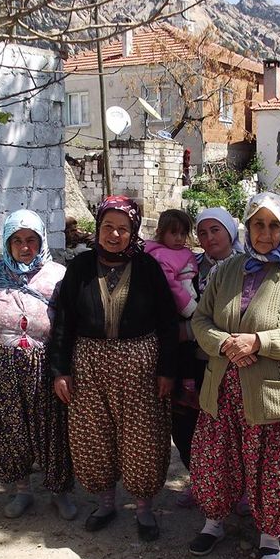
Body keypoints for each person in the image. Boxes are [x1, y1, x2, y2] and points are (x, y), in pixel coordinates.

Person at [188, 192, 280, 559]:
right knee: (216, 459)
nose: (265, 233)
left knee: (271, 465)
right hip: (224, 389)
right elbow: (201, 320)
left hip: (272, 395)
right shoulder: (227, 270)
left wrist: (259, 342)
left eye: (273, 225)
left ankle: (270, 535)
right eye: (258, 224)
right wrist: (226, 344)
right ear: (247, 228)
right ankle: (214, 522)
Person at [50, 195, 179, 540]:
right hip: (89, 364)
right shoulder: (79, 268)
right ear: (98, 228)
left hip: (141, 365)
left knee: (144, 438)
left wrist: (167, 370)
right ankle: (105, 503)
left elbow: (168, 321)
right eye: (108, 226)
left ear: (133, 230)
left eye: (123, 228)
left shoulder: (148, 268)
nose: (115, 234)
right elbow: (63, 322)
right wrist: (61, 370)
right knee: (94, 436)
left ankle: (143, 509)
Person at [0, 209, 75, 519]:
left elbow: (69, 324)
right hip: (0, 364)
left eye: (31, 240)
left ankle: (59, 492)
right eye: (17, 240)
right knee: (9, 429)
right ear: (7, 243)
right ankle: (21, 491)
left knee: (52, 428)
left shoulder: (58, 275)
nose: (24, 247)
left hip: (45, 364)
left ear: (41, 240)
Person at [171, 206, 244, 507]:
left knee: (232, 428)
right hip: (192, 363)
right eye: (202, 232)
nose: (209, 237)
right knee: (188, 426)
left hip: (231, 361)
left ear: (230, 231)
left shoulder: (247, 269)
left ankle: (238, 489)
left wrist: (189, 330)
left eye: (216, 230)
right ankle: (200, 481)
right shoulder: (191, 266)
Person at [145, 209, 199, 407]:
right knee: (181, 350)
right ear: (161, 233)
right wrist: (191, 308)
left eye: (183, 234)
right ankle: (186, 389)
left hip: (178, 313)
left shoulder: (175, 253)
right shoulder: (162, 256)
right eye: (173, 233)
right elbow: (172, 285)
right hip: (174, 313)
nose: (178, 238)